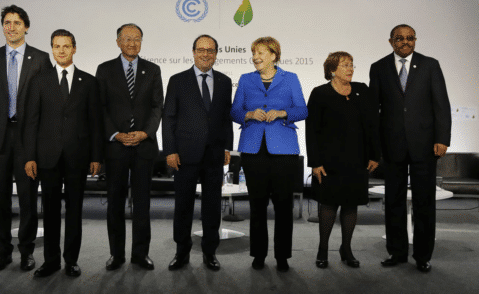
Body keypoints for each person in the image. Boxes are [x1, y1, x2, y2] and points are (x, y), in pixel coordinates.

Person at [369, 24, 451, 273]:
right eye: (399, 38)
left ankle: (423, 255)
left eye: (409, 38)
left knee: (424, 202)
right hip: (392, 146)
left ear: (415, 40)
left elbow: (441, 104)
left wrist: (442, 138)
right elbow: (374, 110)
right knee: (393, 201)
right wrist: (375, 147)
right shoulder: (379, 67)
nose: (405, 42)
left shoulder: (430, 65)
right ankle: (396, 252)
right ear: (391, 41)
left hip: (425, 146)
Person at [23, 29, 104, 277]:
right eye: (56, 46)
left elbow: (95, 123)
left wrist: (96, 156)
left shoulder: (88, 82)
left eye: (66, 46)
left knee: (74, 211)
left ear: (74, 48)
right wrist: (29, 156)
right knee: (49, 212)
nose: (61, 50)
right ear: (52, 49)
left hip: (77, 158)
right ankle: (51, 261)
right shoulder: (39, 80)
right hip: (47, 157)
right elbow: (31, 122)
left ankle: (71, 260)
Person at [0, 5, 52, 272]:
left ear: (26, 27)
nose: (11, 27)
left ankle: (27, 252)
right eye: (7, 22)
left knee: (28, 198)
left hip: (28, 139)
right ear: (3, 27)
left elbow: (47, 104)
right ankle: (3, 252)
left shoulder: (42, 59)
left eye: (17, 22)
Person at [230, 36, 308, 271]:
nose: (255, 57)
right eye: (253, 53)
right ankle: (259, 255)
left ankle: (282, 255)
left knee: (284, 205)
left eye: (261, 53)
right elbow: (234, 111)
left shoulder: (290, 78)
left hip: (284, 150)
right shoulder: (245, 80)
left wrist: (283, 112)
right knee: (257, 205)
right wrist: (249, 114)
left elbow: (302, 109)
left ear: (274, 55)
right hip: (253, 149)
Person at [95, 23, 164, 271]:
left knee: (142, 204)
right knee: (115, 203)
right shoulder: (104, 70)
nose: (132, 43)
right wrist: (117, 134)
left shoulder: (152, 70)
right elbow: (100, 107)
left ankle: (140, 254)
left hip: (144, 147)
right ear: (118, 42)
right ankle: (116, 255)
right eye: (127, 39)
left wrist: (145, 132)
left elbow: (157, 106)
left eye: (137, 39)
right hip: (116, 147)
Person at [162, 35, 233, 271]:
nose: (206, 54)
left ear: (216, 54)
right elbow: (168, 118)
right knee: (183, 207)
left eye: (211, 50)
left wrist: (227, 148)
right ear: (193, 52)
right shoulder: (177, 80)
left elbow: (226, 119)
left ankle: (210, 253)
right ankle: (181, 253)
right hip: (184, 155)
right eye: (201, 50)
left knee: (212, 207)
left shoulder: (224, 81)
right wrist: (170, 151)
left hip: (214, 155)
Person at [306, 52, 380, 269]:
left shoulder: (362, 90)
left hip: (357, 160)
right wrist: (315, 162)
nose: (350, 68)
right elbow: (312, 131)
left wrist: (375, 154)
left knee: (351, 205)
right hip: (329, 162)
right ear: (332, 70)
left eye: (351, 65)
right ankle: (322, 249)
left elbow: (372, 124)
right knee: (328, 205)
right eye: (345, 65)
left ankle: (346, 249)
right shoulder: (320, 93)